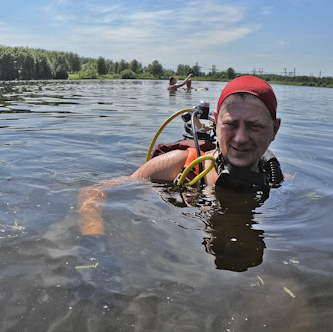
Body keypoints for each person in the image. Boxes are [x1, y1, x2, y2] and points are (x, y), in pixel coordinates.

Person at [79, 75, 282, 237]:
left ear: (274, 130)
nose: (240, 138)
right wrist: (94, 240)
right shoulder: (179, 164)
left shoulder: (278, 181)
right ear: (216, 122)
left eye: (254, 126)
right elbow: (94, 192)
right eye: (230, 124)